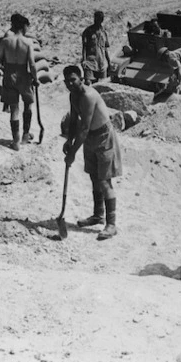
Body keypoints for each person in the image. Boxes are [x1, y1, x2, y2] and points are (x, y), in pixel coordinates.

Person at [63, 65, 122, 241]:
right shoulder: (73, 95)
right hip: (89, 139)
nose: (70, 83)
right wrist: (69, 140)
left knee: (104, 181)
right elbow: (74, 120)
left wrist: (72, 153)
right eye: (67, 81)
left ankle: (111, 225)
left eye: (73, 79)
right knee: (94, 177)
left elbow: (84, 128)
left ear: (81, 78)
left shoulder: (88, 96)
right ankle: (98, 215)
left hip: (103, 137)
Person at [0, 13, 38, 151]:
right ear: (24, 26)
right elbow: (31, 64)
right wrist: (35, 79)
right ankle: (25, 135)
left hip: (9, 74)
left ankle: (16, 141)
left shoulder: (5, 41)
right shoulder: (28, 42)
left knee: (14, 109)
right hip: (23, 76)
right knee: (28, 105)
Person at [81, 10, 111, 85]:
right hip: (90, 61)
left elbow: (105, 49)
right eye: (96, 18)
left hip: (101, 63)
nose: (97, 20)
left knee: (99, 86)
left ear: (102, 20)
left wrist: (109, 62)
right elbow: (84, 47)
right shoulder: (88, 31)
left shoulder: (104, 32)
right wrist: (84, 60)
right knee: (87, 83)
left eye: (100, 19)